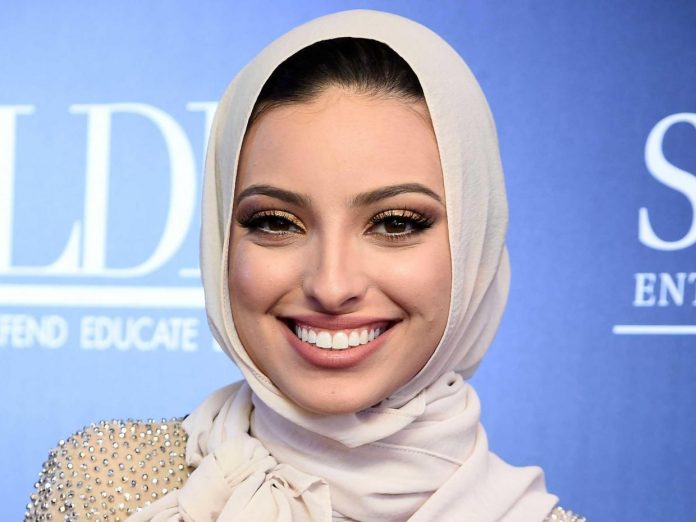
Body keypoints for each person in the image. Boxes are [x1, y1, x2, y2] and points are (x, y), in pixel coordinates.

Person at [26, 10, 585, 522]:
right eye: (276, 222)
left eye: (395, 223)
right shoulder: (105, 486)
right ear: (221, 241)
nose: (331, 285)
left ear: (475, 245)